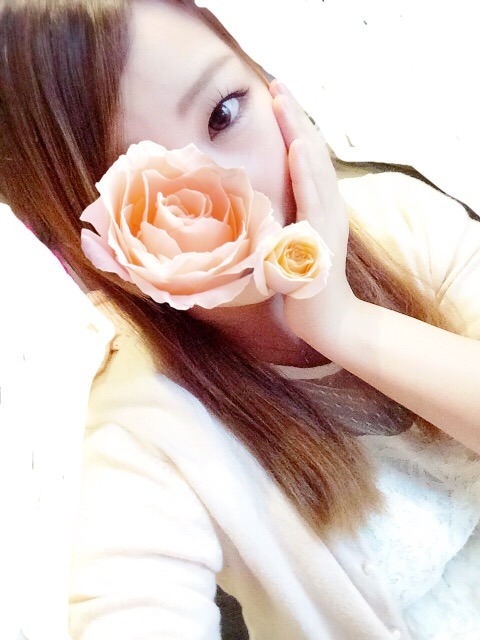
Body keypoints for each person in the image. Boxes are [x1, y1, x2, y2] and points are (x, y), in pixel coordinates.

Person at [0, 1, 479, 639]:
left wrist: (344, 323)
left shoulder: (402, 222)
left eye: (224, 113)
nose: (235, 192)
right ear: (88, 251)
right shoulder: (143, 435)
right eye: (145, 186)